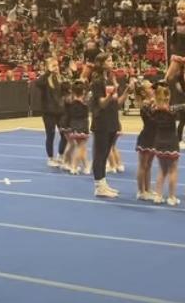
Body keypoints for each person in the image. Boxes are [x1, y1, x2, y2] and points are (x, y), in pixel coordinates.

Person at [89, 58, 128, 198]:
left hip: (112, 120)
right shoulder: (97, 82)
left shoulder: (110, 80)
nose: (112, 63)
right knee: (100, 155)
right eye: (109, 60)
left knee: (105, 154)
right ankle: (98, 186)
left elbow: (117, 103)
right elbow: (102, 104)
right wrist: (110, 95)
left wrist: (127, 91)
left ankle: (103, 184)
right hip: (101, 122)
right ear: (102, 64)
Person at [149, 82, 185, 205]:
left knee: (162, 170)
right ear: (167, 96)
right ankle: (171, 197)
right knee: (172, 170)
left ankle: (158, 196)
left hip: (159, 141)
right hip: (171, 141)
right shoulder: (172, 109)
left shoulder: (153, 109)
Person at [35, 57, 67, 168]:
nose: (56, 67)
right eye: (53, 65)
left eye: (57, 65)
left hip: (60, 111)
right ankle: (50, 158)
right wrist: (48, 72)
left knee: (65, 134)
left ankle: (61, 155)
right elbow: (38, 83)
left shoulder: (60, 78)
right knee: (51, 135)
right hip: (48, 112)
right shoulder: (44, 80)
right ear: (47, 67)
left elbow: (66, 92)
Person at [131, 80, 156, 201]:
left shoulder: (153, 102)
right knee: (143, 165)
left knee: (149, 165)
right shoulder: (145, 105)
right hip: (146, 137)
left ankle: (148, 188)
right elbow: (152, 120)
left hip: (154, 137)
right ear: (143, 92)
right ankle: (141, 191)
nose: (153, 89)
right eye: (150, 88)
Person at [62, 82, 89, 176]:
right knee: (79, 147)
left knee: (75, 145)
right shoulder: (82, 103)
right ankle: (73, 166)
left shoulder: (71, 101)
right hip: (78, 125)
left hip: (72, 124)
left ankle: (83, 165)